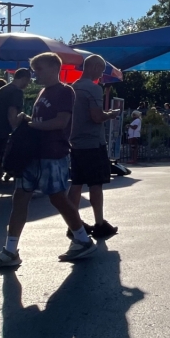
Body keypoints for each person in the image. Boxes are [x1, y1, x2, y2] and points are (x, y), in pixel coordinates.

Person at [0, 53, 96, 269]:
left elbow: (60, 122)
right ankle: (10, 250)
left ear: (52, 67)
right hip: (34, 154)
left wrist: (30, 125)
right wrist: (28, 120)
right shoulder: (43, 92)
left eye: (38, 69)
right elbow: (44, 121)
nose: (34, 74)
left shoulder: (64, 91)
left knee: (58, 198)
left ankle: (83, 239)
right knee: (20, 198)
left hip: (52, 153)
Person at [68, 55, 122, 239]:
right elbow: (97, 117)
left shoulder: (73, 87)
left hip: (76, 142)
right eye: (100, 70)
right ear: (94, 67)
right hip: (92, 142)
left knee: (76, 183)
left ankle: (73, 223)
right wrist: (111, 114)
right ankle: (100, 223)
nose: (101, 74)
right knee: (95, 184)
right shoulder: (93, 88)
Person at [0, 69, 31, 183]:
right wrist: (23, 117)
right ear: (24, 78)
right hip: (4, 131)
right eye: (28, 81)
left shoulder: (3, 89)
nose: (28, 84)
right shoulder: (16, 92)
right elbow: (12, 113)